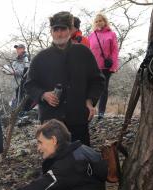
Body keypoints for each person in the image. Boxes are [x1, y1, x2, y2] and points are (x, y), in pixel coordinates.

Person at [25, 11, 105, 146]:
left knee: (81, 159)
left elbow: (97, 80)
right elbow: (29, 85)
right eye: (56, 29)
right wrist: (43, 95)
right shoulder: (41, 58)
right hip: (51, 121)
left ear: (70, 30)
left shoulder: (83, 53)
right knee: (53, 161)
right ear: (51, 31)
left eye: (63, 29)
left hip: (78, 117)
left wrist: (90, 100)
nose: (59, 33)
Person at [88, 13, 119, 119]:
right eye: (96, 21)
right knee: (91, 88)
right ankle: (89, 110)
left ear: (105, 21)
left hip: (106, 67)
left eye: (100, 20)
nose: (98, 23)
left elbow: (115, 51)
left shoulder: (111, 34)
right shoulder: (92, 35)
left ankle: (101, 113)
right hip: (93, 67)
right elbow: (89, 52)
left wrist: (113, 66)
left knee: (103, 89)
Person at [3, 44, 30, 108]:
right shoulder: (16, 60)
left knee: (20, 104)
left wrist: (14, 72)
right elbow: (12, 68)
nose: (17, 50)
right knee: (14, 103)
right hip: (15, 86)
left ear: (23, 49)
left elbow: (26, 71)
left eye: (19, 49)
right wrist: (6, 69)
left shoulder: (26, 59)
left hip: (22, 86)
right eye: (17, 49)